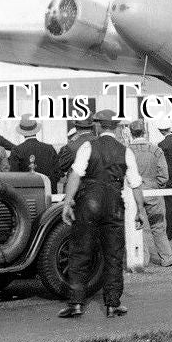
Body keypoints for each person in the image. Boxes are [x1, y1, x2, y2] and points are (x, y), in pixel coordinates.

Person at [58, 110, 146, 319]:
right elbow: (135, 184)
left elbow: (75, 176)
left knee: (80, 251)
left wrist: (68, 202)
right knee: (114, 255)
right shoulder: (126, 151)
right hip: (115, 203)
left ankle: (76, 303)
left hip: (89, 202)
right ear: (115, 127)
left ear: (97, 126)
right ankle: (112, 304)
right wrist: (140, 211)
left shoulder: (88, 146)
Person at [128, 120, 172, 268]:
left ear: (130, 133)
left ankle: (143, 259)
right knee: (158, 227)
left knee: (137, 227)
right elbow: (164, 175)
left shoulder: (127, 151)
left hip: (135, 194)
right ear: (144, 132)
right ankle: (167, 259)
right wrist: (157, 186)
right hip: (153, 192)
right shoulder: (156, 150)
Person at [8, 114, 59, 192]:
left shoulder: (17, 150)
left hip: (27, 193)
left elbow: (14, 175)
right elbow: (57, 172)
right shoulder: (49, 148)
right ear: (36, 130)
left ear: (22, 132)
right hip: (49, 191)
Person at [56, 118, 96, 187]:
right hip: (97, 188)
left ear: (76, 128)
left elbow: (62, 166)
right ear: (92, 127)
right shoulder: (102, 142)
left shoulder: (71, 146)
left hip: (76, 189)